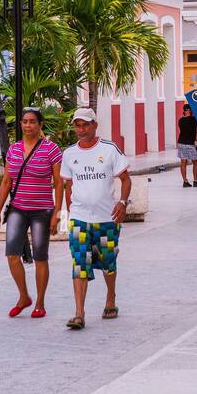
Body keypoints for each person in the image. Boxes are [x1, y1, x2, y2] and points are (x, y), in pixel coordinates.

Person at [61, 107, 131, 330]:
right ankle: (79, 313)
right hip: (79, 219)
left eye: (85, 125)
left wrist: (122, 203)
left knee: (108, 261)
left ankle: (111, 297)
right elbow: (68, 185)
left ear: (94, 125)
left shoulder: (110, 149)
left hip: (106, 218)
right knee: (79, 262)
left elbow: (125, 179)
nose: (81, 129)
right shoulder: (70, 154)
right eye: (77, 125)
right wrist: (68, 213)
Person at [0, 107, 63, 319]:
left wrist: (57, 212)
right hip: (18, 209)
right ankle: (24, 296)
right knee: (12, 255)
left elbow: (58, 183)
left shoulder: (51, 149)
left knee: (40, 256)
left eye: (32, 121)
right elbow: (6, 181)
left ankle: (40, 303)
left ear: (40, 125)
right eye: (24, 121)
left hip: (42, 210)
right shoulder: (13, 150)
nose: (28, 125)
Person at [176, 103, 197, 187]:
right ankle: (195, 180)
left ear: (184, 111)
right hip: (190, 144)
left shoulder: (180, 120)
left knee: (183, 162)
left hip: (181, 143)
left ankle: (185, 181)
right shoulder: (194, 119)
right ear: (190, 111)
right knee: (195, 162)